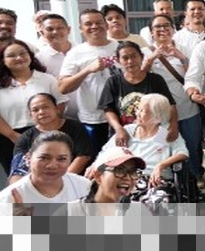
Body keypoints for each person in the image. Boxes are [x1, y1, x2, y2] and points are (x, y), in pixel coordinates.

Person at [0, 40, 68, 174]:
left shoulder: (47, 79)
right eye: (11, 55)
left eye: (22, 53)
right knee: (19, 179)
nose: (19, 58)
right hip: (10, 138)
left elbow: (60, 103)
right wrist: (13, 135)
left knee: (51, 175)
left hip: (47, 134)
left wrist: (49, 128)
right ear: (2, 60)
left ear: (30, 55)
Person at [0, 131, 92, 216]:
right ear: (28, 158)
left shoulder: (84, 187)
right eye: (44, 158)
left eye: (61, 159)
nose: (52, 165)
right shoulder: (5, 200)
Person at [141, 15, 201, 176]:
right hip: (160, 113)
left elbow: (195, 77)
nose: (162, 30)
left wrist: (182, 58)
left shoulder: (185, 49)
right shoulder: (144, 52)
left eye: (166, 25)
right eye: (157, 27)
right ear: (151, 32)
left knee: (192, 146)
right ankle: (168, 180)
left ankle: (195, 178)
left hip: (188, 108)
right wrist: (151, 59)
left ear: (173, 29)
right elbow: (140, 78)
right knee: (163, 148)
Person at [59, 9, 120, 154]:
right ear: (81, 28)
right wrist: (87, 70)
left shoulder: (120, 47)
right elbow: (63, 87)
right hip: (94, 120)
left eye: (99, 22)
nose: (94, 26)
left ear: (106, 24)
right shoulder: (76, 53)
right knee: (96, 161)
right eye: (88, 24)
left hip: (124, 116)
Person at [96, 94, 189, 190]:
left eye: (142, 111)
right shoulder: (128, 131)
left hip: (155, 181)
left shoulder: (166, 133)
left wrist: (161, 165)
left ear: (156, 116)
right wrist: (95, 166)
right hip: (127, 178)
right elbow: (105, 151)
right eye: (138, 109)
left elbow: (183, 153)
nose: (137, 113)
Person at [99, 41, 177, 146]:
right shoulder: (113, 82)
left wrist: (174, 124)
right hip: (124, 136)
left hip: (153, 135)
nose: (130, 61)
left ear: (142, 57)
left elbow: (170, 105)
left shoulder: (156, 80)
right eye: (125, 58)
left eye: (134, 56)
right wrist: (119, 129)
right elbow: (108, 109)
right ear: (118, 60)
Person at [8, 93, 94, 183]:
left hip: (74, 180)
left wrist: (59, 181)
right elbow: (17, 169)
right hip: (39, 183)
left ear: (56, 108)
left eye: (45, 107)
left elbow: (83, 157)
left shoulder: (75, 127)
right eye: (35, 110)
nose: (41, 112)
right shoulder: (25, 137)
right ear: (31, 115)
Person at [68, 147, 147, 216]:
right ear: (98, 176)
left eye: (133, 172)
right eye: (119, 170)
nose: (128, 178)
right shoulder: (71, 212)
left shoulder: (140, 212)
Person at [34, 14, 78, 119]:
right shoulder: (39, 59)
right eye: (49, 29)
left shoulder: (82, 51)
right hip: (59, 117)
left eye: (60, 28)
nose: (55, 32)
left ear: (68, 30)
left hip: (90, 114)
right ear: (42, 33)